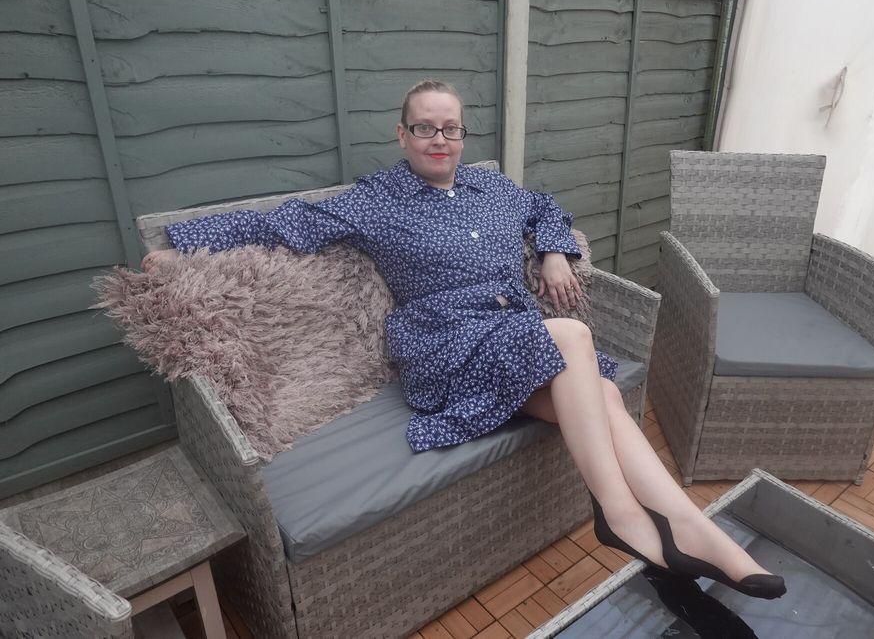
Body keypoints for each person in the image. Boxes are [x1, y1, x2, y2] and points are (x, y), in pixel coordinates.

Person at [142, 80, 785, 599]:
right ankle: (621, 516)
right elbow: (283, 224)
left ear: (462, 133)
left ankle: (693, 531)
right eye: (424, 126)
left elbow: (543, 208)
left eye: (450, 127)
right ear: (403, 134)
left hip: (511, 339)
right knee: (567, 335)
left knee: (601, 395)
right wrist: (181, 252)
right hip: (443, 347)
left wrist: (556, 252)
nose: (439, 138)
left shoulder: (492, 187)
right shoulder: (376, 199)